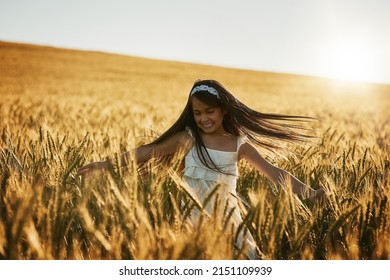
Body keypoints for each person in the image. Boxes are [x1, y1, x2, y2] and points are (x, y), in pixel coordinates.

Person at [77, 79, 325, 259]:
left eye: (210, 111)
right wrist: (106, 165)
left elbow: (274, 173)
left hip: (228, 219)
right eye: (197, 113)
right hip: (192, 218)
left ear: (224, 111)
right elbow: (146, 152)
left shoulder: (239, 145)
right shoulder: (188, 139)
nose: (203, 118)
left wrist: (309, 192)